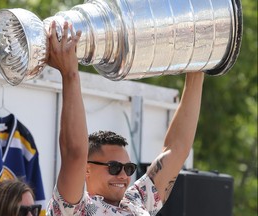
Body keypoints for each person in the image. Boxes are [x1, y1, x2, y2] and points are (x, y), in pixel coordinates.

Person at [46, 20, 204, 215]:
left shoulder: (135, 201)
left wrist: (198, 67)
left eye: (128, 168)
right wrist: (70, 74)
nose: (122, 175)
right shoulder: (75, 208)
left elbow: (177, 149)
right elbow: (74, 153)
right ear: (86, 170)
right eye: (113, 167)